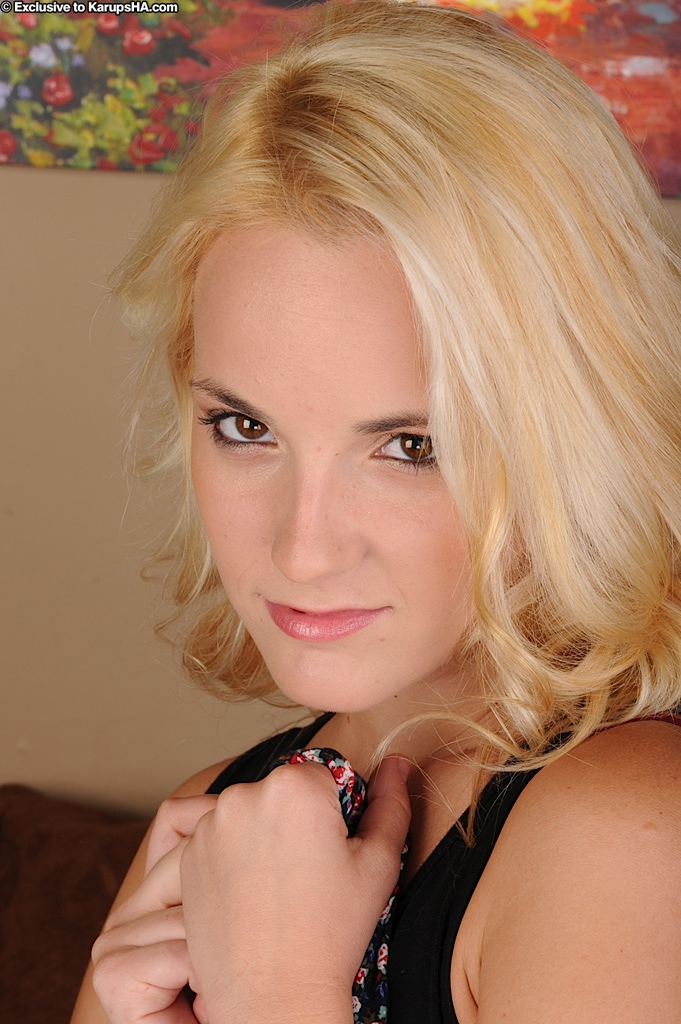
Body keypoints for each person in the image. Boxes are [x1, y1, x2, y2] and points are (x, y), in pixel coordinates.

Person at [70, 2, 681, 1022]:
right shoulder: (214, 820)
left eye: (411, 447)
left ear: (578, 432)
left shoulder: (630, 831)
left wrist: (274, 994)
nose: (302, 548)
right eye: (245, 427)